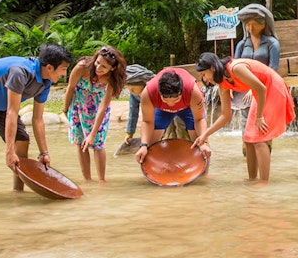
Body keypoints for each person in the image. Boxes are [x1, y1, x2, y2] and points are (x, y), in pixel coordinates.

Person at [0, 43, 73, 205]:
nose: (64, 74)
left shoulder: (45, 83)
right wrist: (9, 151)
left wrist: (44, 153)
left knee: (22, 140)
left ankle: (18, 192)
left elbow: (37, 119)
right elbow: (12, 112)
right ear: (49, 67)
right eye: (63, 69)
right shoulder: (20, 72)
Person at [193, 53, 295, 183]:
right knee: (248, 138)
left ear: (212, 68)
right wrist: (204, 135)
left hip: (272, 87)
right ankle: (252, 179)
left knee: (259, 138)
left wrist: (259, 117)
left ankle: (264, 183)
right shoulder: (223, 84)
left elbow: (261, 88)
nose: (205, 79)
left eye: (203, 74)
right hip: (260, 93)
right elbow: (225, 116)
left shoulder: (236, 68)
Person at [63, 46, 127, 183]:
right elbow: (70, 87)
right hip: (78, 107)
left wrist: (92, 134)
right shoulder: (82, 67)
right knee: (81, 143)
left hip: (98, 111)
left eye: (104, 67)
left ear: (113, 68)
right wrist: (65, 109)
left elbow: (103, 106)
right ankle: (87, 180)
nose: (98, 68)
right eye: (97, 63)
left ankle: (102, 181)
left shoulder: (112, 79)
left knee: (97, 144)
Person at [234, 3, 281, 178]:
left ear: (264, 24)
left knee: (262, 133)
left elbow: (272, 70)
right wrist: (236, 87)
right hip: (243, 95)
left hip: (265, 93)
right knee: (246, 133)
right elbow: (235, 66)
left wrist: (254, 88)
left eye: (254, 24)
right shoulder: (241, 45)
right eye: (248, 24)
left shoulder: (272, 44)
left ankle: (264, 176)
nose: (250, 28)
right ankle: (251, 177)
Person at [132, 67, 212, 165]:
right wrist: (143, 145)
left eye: (176, 99)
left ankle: (204, 176)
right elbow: (147, 122)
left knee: (200, 146)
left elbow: (199, 119)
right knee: (150, 147)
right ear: (159, 93)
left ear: (181, 92)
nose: (171, 104)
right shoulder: (148, 93)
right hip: (162, 110)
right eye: (166, 100)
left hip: (187, 108)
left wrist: (203, 143)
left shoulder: (193, 91)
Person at [116, 64, 157, 155]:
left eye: (133, 89)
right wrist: (130, 133)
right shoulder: (134, 95)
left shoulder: (155, 90)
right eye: (129, 89)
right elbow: (133, 113)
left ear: (143, 84)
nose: (131, 92)